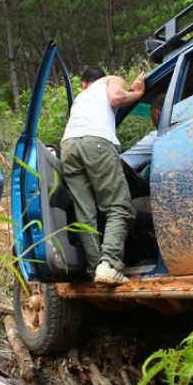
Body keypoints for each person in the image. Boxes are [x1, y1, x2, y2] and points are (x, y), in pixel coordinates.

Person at [61, 66, 145, 286]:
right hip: (96, 143)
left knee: (85, 214)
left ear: (83, 84)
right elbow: (117, 97)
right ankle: (108, 265)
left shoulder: (81, 98)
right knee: (120, 207)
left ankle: (93, 270)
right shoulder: (111, 80)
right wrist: (137, 93)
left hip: (68, 148)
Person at [120, 92, 165, 215]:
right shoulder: (192, 132)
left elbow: (120, 164)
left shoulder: (159, 137)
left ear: (157, 113)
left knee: (130, 205)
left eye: (151, 114)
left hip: (170, 203)